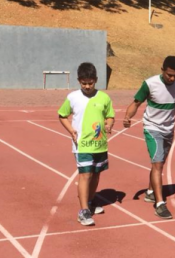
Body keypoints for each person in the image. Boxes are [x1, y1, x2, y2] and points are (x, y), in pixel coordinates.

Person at [124, 56, 175, 219]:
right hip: (152, 128)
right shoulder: (150, 84)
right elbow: (136, 102)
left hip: (169, 129)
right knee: (158, 164)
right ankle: (160, 204)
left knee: (158, 163)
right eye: (169, 75)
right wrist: (127, 117)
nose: (172, 78)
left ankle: (151, 192)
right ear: (162, 70)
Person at [58, 62, 115, 226]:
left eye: (90, 83)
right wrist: (71, 131)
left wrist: (109, 124)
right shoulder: (73, 97)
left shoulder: (104, 97)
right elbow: (62, 115)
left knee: (96, 174)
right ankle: (83, 211)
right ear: (79, 81)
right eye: (84, 83)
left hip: (100, 144)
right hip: (82, 144)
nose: (88, 86)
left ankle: (90, 201)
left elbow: (110, 115)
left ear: (96, 80)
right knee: (86, 175)